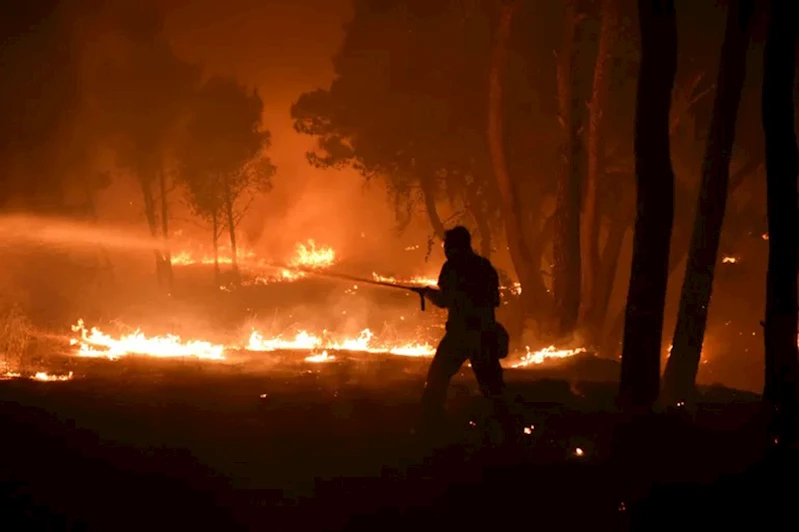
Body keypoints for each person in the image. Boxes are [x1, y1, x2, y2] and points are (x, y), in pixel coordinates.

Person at [418, 225, 507, 436]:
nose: (446, 250)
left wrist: (428, 294)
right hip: (484, 332)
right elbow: (495, 300)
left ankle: (430, 423)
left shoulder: (452, 268)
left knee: (437, 378)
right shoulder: (484, 266)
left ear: (456, 246)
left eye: (448, 246)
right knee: (492, 386)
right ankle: (503, 427)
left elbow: (444, 300)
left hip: (461, 334)